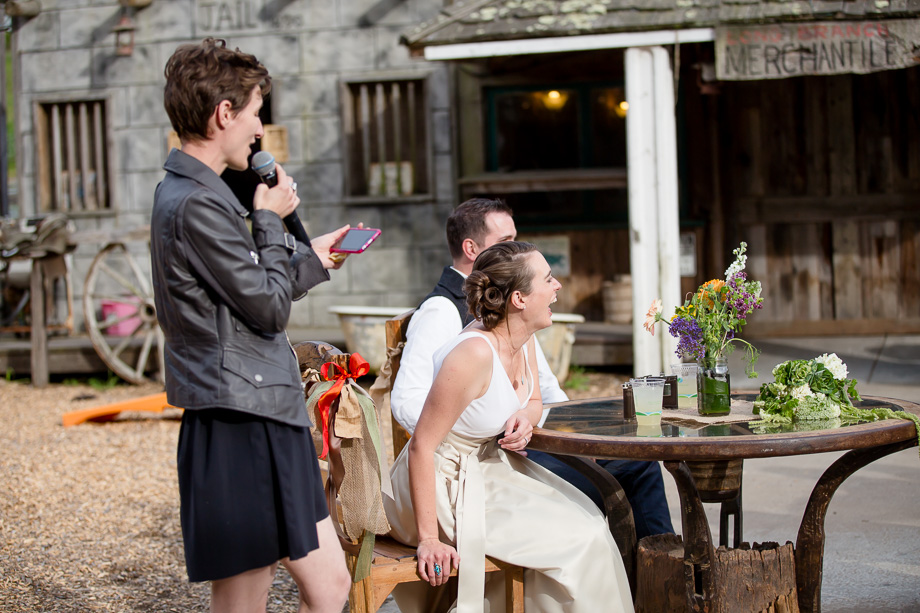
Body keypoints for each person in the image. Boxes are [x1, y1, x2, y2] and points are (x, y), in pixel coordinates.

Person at [150, 38, 351, 613]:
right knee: (243, 598)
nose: (260, 129)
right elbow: (267, 307)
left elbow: (245, 290)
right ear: (224, 114)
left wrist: (310, 255)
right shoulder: (195, 203)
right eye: (256, 112)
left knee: (330, 586)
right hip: (239, 416)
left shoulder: (199, 194)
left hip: (262, 407)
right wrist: (267, 219)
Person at [391, 198, 673, 539]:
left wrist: (570, 439)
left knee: (638, 464)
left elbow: (544, 391)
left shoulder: (518, 322)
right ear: (471, 248)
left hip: (531, 440)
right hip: (479, 461)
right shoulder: (443, 312)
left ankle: (662, 562)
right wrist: (475, 429)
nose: (515, 248)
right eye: (505, 241)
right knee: (595, 498)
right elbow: (408, 403)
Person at [385, 241, 634, 612]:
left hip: (490, 468)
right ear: (519, 299)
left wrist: (524, 420)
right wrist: (428, 539)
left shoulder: (523, 337)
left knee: (592, 522)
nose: (558, 286)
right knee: (579, 539)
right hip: (440, 485)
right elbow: (421, 446)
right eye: (548, 279)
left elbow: (533, 402)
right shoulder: (472, 354)